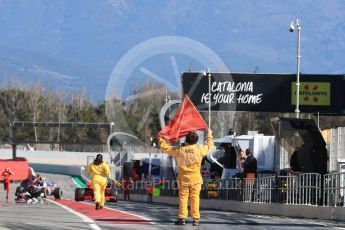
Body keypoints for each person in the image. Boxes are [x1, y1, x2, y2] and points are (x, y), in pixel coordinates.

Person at [159, 129, 214, 226]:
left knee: (183, 198)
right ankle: (195, 219)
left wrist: (160, 138)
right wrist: (209, 134)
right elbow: (210, 145)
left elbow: (165, 148)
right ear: (196, 141)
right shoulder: (199, 149)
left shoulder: (180, 149)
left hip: (183, 177)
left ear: (186, 139)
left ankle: (182, 218)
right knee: (195, 198)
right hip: (196, 178)